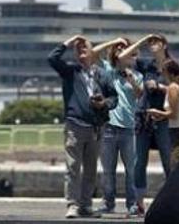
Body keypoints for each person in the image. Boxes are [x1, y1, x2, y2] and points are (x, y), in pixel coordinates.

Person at [48, 35, 118, 219]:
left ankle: (86, 205)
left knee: (90, 169)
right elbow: (52, 59)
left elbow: (114, 98)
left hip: (95, 127)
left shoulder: (101, 74)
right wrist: (68, 42)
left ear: (93, 50)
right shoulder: (71, 71)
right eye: (77, 48)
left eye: (84, 47)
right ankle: (72, 204)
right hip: (75, 125)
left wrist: (103, 103)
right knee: (72, 167)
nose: (80, 50)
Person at [118, 33, 173, 216]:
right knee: (139, 162)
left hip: (163, 118)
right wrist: (142, 40)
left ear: (164, 45)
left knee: (168, 160)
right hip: (143, 117)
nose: (152, 45)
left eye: (155, 42)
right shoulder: (146, 65)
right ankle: (139, 204)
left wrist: (159, 87)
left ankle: (172, 201)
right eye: (150, 43)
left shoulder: (172, 66)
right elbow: (122, 57)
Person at [94, 37, 143, 217]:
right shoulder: (109, 70)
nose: (121, 51)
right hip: (108, 126)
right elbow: (94, 52)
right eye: (118, 49)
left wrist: (132, 80)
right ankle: (108, 202)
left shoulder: (137, 75)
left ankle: (132, 204)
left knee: (131, 170)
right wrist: (113, 41)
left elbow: (139, 95)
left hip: (128, 128)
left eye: (125, 48)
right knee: (108, 170)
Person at [146, 59, 179, 170]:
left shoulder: (173, 88)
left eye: (163, 71)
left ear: (170, 73)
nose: (162, 73)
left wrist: (157, 112)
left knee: (176, 168)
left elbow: (174, 114)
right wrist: (161, 116)